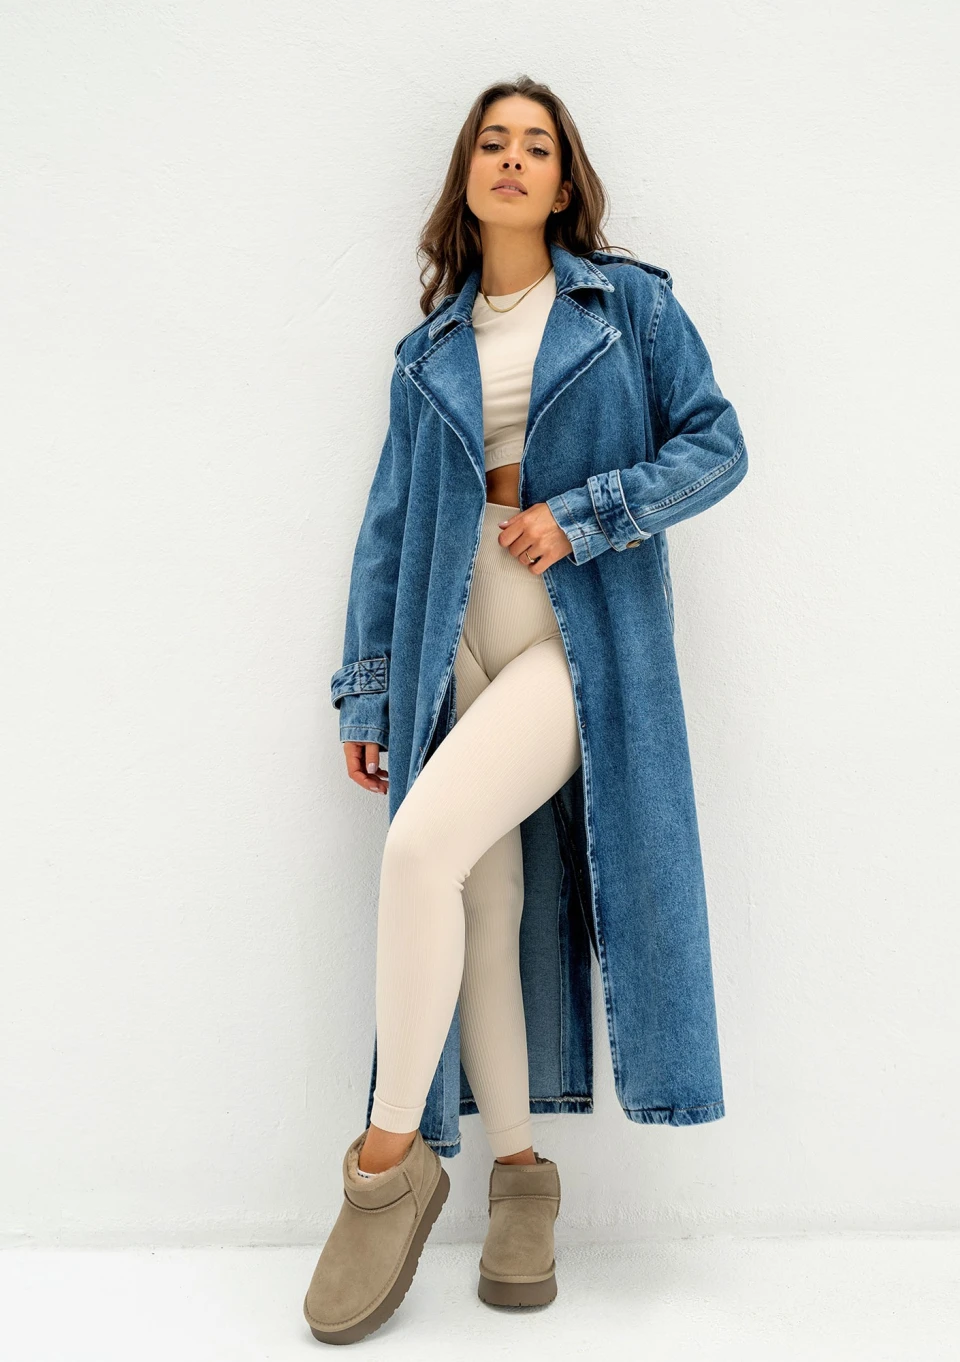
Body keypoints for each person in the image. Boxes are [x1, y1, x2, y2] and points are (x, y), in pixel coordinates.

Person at [304, 75, 748, 1345]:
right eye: (491, 143)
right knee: (481, 900)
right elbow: (389, 530)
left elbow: (716, 445)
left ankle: (386, 1161)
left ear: (563, 182)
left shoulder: (628, 307)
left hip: (571, 633)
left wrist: (590, 513)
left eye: (536, 145)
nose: (512, 159)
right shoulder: (427, 354)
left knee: (416, 849)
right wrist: (371, 686)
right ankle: (518, 1182)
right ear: (468, 177)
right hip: (449, 635)